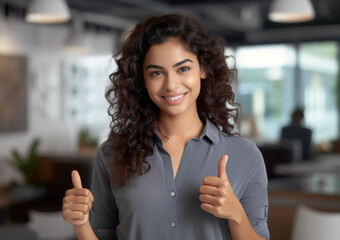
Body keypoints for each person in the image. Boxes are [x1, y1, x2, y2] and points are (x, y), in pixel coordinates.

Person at [62, 14, 269, 240]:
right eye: (156, 73)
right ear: (142, 79)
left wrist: (236, 214)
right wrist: (81, 224)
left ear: (203, 69)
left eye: (183, 69)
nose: (171, 85)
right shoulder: (112, 154)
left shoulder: (246, 156)